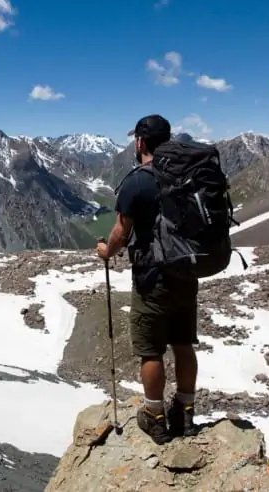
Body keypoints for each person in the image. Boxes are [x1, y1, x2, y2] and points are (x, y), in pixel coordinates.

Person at [96, 114, 198, 445]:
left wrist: (106, 251)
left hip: (152, 277)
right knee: (183, 343)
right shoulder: (188, 173)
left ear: (140, 142)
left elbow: (121, 232)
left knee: (151, 350)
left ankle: (155, 416)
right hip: (187, 273)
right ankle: (184, 410)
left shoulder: (137, 181)